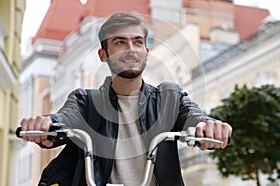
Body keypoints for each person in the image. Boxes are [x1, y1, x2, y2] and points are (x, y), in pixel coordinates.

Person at [20, 12, 232, 186]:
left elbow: (194, 117)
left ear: (146, 51)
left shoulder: (170, 97)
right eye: (120, 42)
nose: (131, 49)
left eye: (137, 42)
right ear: (103, 54)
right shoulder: (86, 102)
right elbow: (65, 118)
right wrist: (48, 124)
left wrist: (209, 127)